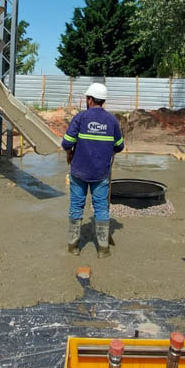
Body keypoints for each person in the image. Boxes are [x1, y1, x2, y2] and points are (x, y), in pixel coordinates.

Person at [62, 82, 124, 258]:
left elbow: (67, 142)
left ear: (89, 99)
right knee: (101, 208)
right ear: (102, 100)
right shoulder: (112, 121)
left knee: (76, 206)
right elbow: (119, 146)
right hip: (101, 174)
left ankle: (73, 247)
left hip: (79, 172)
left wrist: (69, 153)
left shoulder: (81, 118)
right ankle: (103, 250)